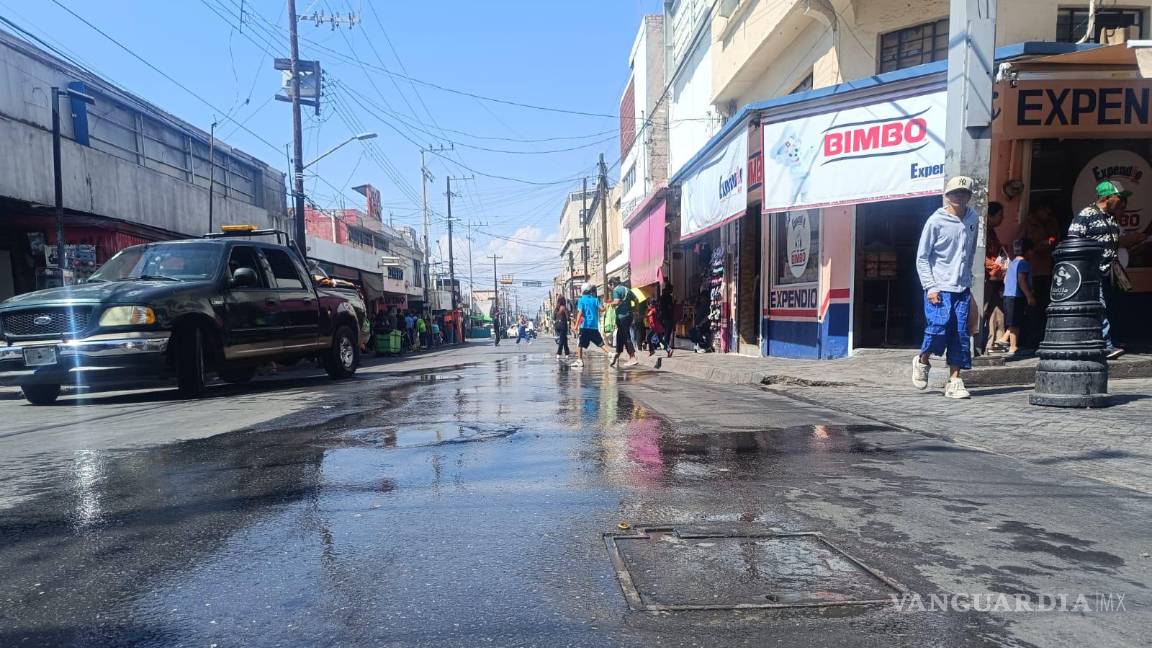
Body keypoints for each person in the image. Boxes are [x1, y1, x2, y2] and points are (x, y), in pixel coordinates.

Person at [913, 176, 980, 400]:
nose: (959, 197)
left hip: (961, 286)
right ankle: (923, 360)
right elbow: (922, 257)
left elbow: (970, 253)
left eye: (964, 193)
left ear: (969, 196)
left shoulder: (973, 218)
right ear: (947, 196)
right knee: (938, 326)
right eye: (954, 193)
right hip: (939, 285)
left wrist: (968, 281)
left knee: (961, 332)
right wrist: (930, 287)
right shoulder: (936, 221)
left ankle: (955, 380)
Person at [1068, 180, 1146, 359]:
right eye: (1120, 198)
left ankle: (1107, 340)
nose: (1122, 203)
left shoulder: (1110, 217)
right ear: (1108, 197)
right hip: (1092, 272)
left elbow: (1114, 242)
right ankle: (1106, 345)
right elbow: (1073, 240)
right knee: (1100, 306)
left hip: (1108, 272)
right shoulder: (1086, 215)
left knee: (1108, 306)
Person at [999, 238, 1037, 360]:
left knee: (1014, 320)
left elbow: (1005, 280)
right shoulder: (1024, 264)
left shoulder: (1012, 263)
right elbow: (1022, 280)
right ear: (1027, 251)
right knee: (1015, 323)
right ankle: (1013, 346)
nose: (1033, 253)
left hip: (1008, 295)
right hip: (1017, 296)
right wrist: (1029, 296)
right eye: (1032, 250)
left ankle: (1004, 338)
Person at [982, 202, 1008, 354]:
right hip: (987, 277)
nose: (1002, 219)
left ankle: (994, 344)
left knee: (996, 311)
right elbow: (982, 256)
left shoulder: (992, 233)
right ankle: (977, 345)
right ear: (990, 216)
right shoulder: (983, 232)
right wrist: (995, 267)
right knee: (984, 309)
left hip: (996, 278)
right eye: (1000, 216)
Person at [607, 277, 639, 368]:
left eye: (610, 286)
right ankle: (617, 355)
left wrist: (608, 304)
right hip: (629, 315)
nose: (610, 288)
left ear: (612, 284)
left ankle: (632, 357)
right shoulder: (627, 289)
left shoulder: (616, 290)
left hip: (622, 317)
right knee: (619, 336)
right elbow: (636, 299)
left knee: (626, 336)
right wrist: (635, 310)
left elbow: (617, 302)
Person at [574, 282, 604, 368]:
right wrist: (606, 305)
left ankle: (579, 360)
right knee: (600, 343)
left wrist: (576, 325)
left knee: (579, 343)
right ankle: (610, 353)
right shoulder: (595, 299)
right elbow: (602, 309)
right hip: (594, 325)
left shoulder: (581, 300)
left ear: (582, 290)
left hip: (585, 326)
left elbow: (580, 313)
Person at [658, 280, 675, 357]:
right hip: (668, 317)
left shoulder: (661, 297)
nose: (672, 291)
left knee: (663, 333)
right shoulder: (668, 297)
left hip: (662, 317)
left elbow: (660, 307)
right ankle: (667, 347)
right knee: (667, 334)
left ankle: (666, 347)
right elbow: (670, 307)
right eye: (671, 289)